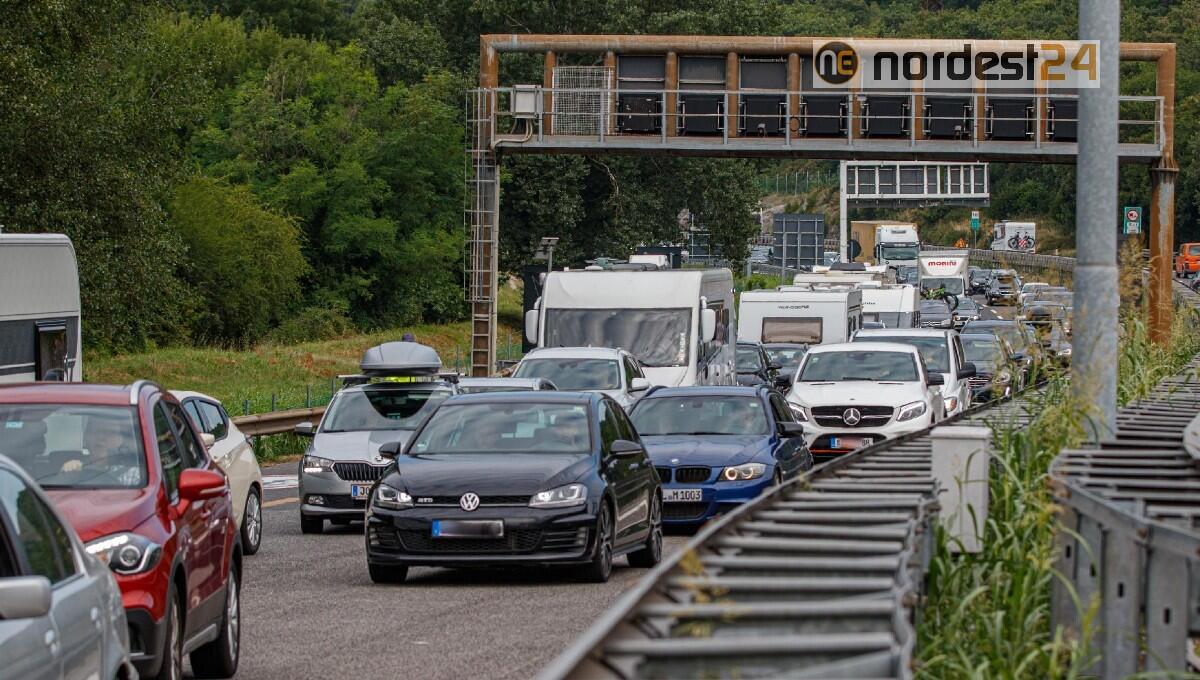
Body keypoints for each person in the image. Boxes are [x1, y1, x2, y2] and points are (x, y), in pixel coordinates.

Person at [60, 417, 142, 486]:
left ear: (121, 439)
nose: (101, 437)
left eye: (109, 432)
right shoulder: (76, 469)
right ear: (86, 438)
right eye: (95, 431)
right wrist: (66, 475)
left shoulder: (135, 475)